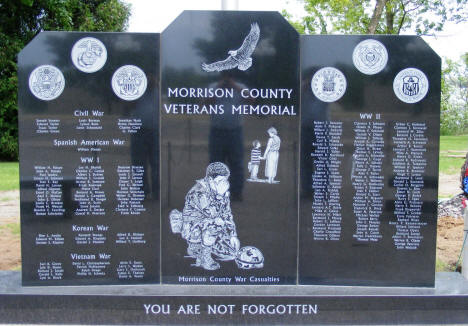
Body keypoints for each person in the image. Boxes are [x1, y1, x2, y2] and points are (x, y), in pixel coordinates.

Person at [169, 162, 240, 270]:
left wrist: (233, 235)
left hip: (204, 225)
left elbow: (227, 214)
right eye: (220, 181)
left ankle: (195, 248)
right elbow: (213, 215)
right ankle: (204, 257)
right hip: (192, 228)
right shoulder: (199, 192)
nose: (224, 183)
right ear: (210, 180)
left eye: (225, 180)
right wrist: (220, 195)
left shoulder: (221, 191)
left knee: (230, 252)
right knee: (217, 224)